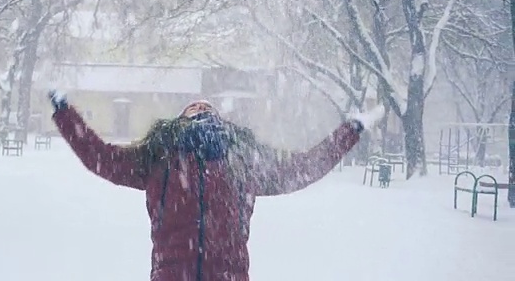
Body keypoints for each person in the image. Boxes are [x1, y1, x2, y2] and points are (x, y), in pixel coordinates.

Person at [48, 91, 383, 281]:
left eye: (206, 106)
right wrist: (64, 112)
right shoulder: (159, 155)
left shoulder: (243, 159)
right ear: (180, 119)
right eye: (194, 106)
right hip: (172, 272)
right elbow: (100, 158)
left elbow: (304, 167)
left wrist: (350, 131)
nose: (200, 108)